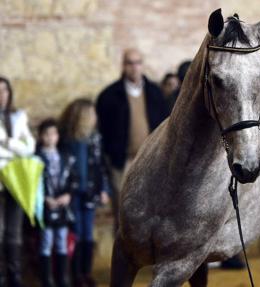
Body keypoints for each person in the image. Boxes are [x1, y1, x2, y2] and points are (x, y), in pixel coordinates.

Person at [96, 48, 168, 231]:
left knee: (154, 208)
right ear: (123, 65)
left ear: (142, 65)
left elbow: (165, 123)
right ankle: (123, 255)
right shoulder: (109, 96)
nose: (134, 67)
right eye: (129, 63)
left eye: (137, 63)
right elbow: (103, 131)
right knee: (123, 210)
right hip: (122, 161)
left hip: (152, 160)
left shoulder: (155, 93)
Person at [59, 99, 110, 287]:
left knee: (88, 234)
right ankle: (76, 275)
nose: (95, 117)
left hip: (89, 193)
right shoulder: (66, 140)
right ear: (82, 117)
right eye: (92, 114)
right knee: (76, 233)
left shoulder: (95, 138)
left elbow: (100, 165)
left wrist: (104, 189)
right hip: (71, 195)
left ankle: (86, 273)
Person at [0, 76, 35, 286]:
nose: (1, 95)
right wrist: (15, 147)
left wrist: (7, 142)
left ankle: (14, 277)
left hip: (16, 179)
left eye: (4, 90)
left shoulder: (18, 116)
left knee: (14, 231)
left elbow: (29, 147)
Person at [36, 119, 75, 287]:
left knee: (61, 240)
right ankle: (47, 280)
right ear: (40, 136)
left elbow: (73, 178)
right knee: (46, 241)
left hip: (63, 206)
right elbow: (33, 183)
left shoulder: (65, 156)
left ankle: (62, 279)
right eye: (46, 134)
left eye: (53, 134)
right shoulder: (36, 158)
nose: (50, 138)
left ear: (58, 136)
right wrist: (44, 198)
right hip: (45, 206)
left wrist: (68, 195)